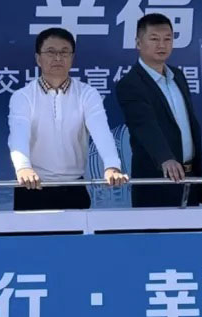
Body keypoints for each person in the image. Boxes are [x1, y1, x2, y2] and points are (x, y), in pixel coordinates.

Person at [8, 27, 128, 210]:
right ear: (38, 58)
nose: (58, 58)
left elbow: (101, 132)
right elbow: (18, 135)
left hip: (74, 186)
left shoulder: (87, 94)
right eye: (50, 52)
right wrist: (23, 167)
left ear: (72, 58)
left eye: (64, 52)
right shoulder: (23, 96)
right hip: (32, 185)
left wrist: (112, 166)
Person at [115, 13, 202, 207]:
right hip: (157, 180)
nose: (162, 45)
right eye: (154, 39)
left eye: (167, 39)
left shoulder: (178, 76)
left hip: (190, 177)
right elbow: (143, 125)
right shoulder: (130, 84)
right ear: (138, 43)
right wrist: (165, 158)